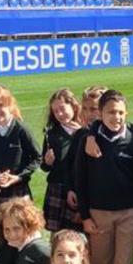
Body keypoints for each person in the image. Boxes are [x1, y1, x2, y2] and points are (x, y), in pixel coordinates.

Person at [74, 89, 133, 264]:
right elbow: (80, 180)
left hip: (130, 213)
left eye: (121, 112)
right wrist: (85, 216)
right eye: (111, 112)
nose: (117, 117)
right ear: (101, 113)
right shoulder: (88, 141)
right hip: (99, 213)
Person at [0, 86, 41, 204]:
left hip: (18, 190)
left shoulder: (21, 129)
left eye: (0, 105)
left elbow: (37, 157)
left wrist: (19, 177)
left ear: (9, 105)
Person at [40, 89, 83, 232]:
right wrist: (47, 162)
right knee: (57, 235)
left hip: (79, 188)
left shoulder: (86, 130)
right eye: (55, 111)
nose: (59, 114)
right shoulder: (51, 134)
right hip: (57, 188)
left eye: (62, 109)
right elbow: (44, 167)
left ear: (73, 106)